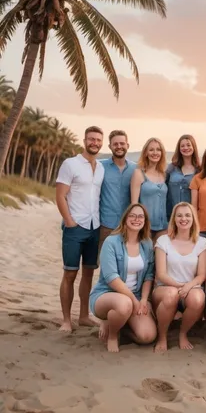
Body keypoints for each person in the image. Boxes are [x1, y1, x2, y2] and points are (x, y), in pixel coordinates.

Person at [56, 126, 105, 333]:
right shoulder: (71, 164)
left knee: (88, 274)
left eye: (98, 140)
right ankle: (66, 320)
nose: (95, 142)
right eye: (91, 139)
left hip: (95, 227)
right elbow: (60, 195)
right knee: (70, 273)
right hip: (75, 227)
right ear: (85, 140)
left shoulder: (101, 168)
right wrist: (69, 221)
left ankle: (84, 316)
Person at [89, 203, 157, 352]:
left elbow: (148, 276)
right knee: (124, 304)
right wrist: (133, 300)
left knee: (147, 336)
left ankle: (121, 325)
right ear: (125, 218)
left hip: (136, 296)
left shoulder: (147, 244)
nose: (136, 219)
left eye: (140, 217)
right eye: (132, 215)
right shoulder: (111, 242)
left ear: (145, 221)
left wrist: (144, 300)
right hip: (107, 295)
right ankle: (113, 334)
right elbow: (111, 277)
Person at [153, 202, 206, 352]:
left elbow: (202, 275)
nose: (184, 218)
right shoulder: (163, 241)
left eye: (188, 215)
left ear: (193, 219)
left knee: (197, 299)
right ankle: (162, 336)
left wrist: (188, 286)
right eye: (180, 215)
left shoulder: (201, 242)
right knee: (171, 295)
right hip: (166, 287)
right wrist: (178, 286)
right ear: (174, 219)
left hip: (191, 287)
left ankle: (183, 333)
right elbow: (161, 274)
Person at [99, 130, 137, 246]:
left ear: (127, 145)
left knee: (126, 263)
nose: (119, 147)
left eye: (122, 143)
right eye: (115, 144)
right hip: (105, 226)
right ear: (110, 146)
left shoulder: (136, 169)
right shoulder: (100, 166)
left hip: (128, 226)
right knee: (103, 262)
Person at [131, 137, 168, 241]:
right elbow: (134, 204)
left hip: (163, 228)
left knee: (160, 257)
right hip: (145, 227)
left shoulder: (163, 174)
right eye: (151, 150)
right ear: (146, 153)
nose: (155, 153)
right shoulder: (138, 173)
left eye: (158, 150)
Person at [165, 135, 201, 220]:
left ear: (194, 147)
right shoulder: (172, 168)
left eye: (188, 145)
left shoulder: (200, 170)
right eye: (182, 146)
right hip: (171, 215)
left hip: (190, 217)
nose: (186, 148)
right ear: (179, 149)